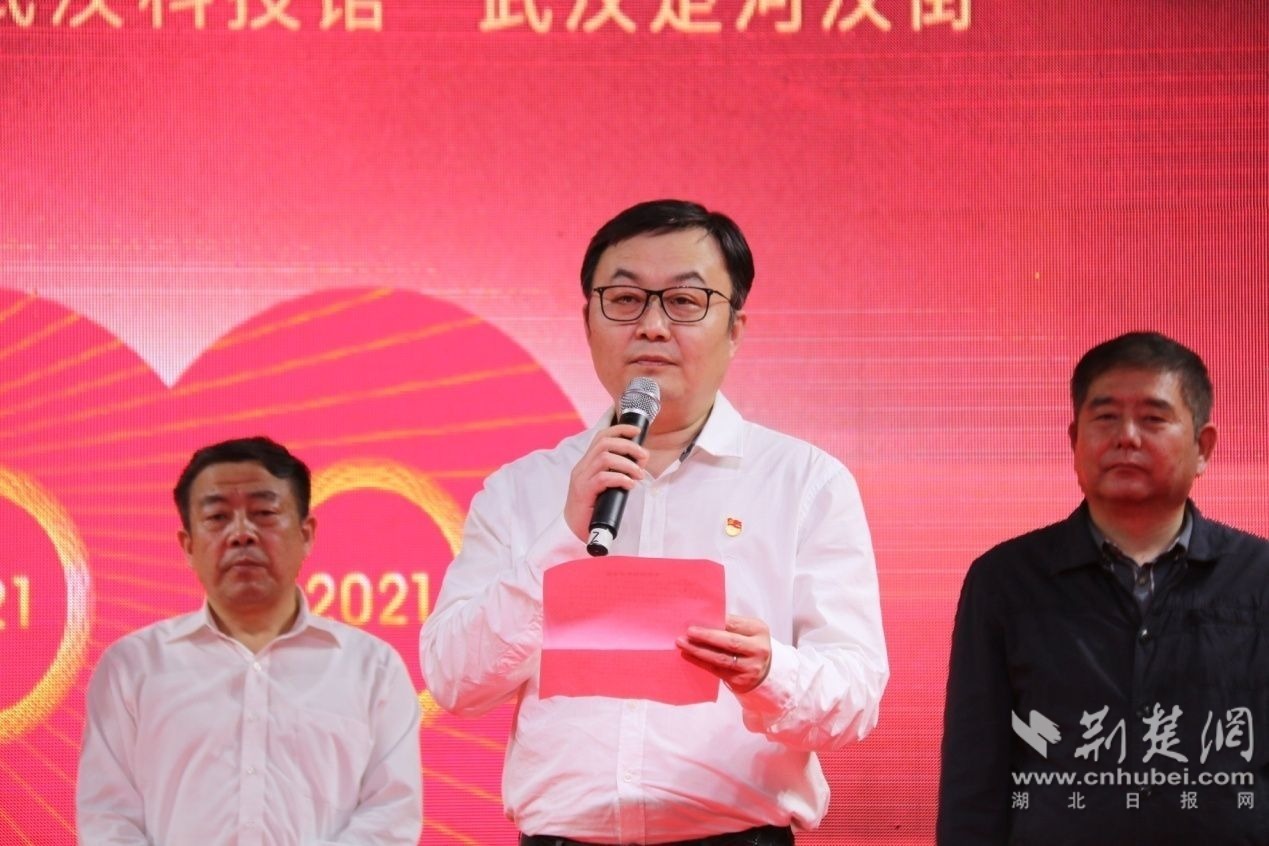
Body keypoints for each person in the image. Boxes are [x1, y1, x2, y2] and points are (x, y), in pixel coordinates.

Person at [420, 199, 888, 845]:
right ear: (587, 321)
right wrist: (562, 538)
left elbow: (855, 698)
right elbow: (454, 681)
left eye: (685, 302)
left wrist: (768, 672)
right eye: (624, 299)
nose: (652, 326)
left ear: (735, 328)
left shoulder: (805, 483)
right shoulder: (522, 490)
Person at [937, 331, 1269, 845]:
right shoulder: (1005, 580)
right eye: (1106, 417)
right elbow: (974, 771)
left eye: (1153, 418)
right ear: (1075, 441)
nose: (1126, 437)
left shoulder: (1259, 576)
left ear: (1203, 447)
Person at [77, 436, 422, 845]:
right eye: (217, 517)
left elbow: (390, 816)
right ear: (188, 546)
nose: (242, 534)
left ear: (306, 534)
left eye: (264, 513)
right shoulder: (133, 667)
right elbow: (108, 819)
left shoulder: (372, 668)